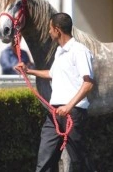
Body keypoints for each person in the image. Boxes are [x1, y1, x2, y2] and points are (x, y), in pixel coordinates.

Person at [15, 13, 96, 172]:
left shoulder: (79, 51)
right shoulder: (59, 51)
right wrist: (28, 70)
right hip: (54, 112)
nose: (49, 32)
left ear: (57, 30)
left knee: (77, 159)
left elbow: (88, 84)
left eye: (50, 29)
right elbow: (52, 74)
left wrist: (68, 106)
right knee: (45, 157)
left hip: (73, 112)